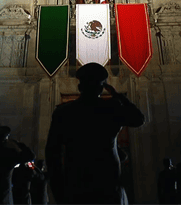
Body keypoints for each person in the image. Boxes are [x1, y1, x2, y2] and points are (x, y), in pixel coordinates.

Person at [45, 63, 145, 205]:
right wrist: (119, 96)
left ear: (80, 87)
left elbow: (52, 154)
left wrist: (58, 191)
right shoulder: (111, 109)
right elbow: (139, 119)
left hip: (76, 188)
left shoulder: (64, 113)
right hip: (107, 187)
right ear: (101, 88)